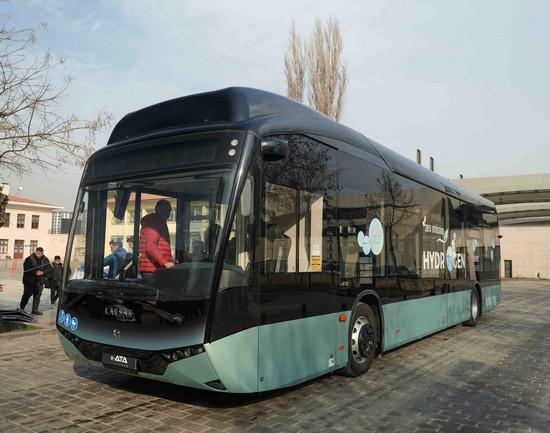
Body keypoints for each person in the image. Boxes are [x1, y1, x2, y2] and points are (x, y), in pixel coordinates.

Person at [139, 199, 174, 273]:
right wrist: (164, 262)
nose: (168, 213)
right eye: (165, 210)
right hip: (152, 268)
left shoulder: (159, 222)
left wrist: (170, 258)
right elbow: (150, 245)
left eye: (169, 210)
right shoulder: (154, 222)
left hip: (156, 266)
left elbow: (161, 247)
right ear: (157, 209)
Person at [20, 247, 52, 315]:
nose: (40, 255)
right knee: (27, 295)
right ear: (35, 252)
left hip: (40, 281)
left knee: (37, 295)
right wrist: (35, 272)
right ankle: (21, 308)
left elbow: (49, 268)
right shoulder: (29, 259)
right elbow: (26, 268)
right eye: (38, 253)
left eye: (41, 253)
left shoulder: (45, 259)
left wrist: (43, 272)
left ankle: (35, 310)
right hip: (30, 281)